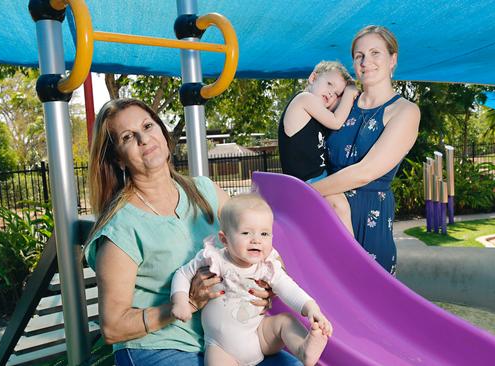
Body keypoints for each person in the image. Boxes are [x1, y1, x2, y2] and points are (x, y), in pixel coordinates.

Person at [83, 98, 302, 365]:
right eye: (128, 137)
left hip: (227, 339)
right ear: (117, 158)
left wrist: (266, 285)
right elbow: (113, 328)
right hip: (159, 347)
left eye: (148, 126)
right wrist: (185, 303)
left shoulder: (205, 192)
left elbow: (259, 240)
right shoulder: (120, 229)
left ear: (163, 134)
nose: (143, 139)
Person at [170, 193, 332, 366]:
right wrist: (180, 302)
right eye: (246, 233)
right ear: (224, 239)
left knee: (285, 321)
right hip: (221, 348)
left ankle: (303, 349)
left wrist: (311, 309)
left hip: (259, 336)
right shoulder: (214, 259)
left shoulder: (266, 266)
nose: (256, 240)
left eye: (264, 234)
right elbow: (182, 273)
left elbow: (289, 288)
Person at [313, 26, 420, 275]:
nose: (366, 61)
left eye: (375, 53)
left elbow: (365, 172)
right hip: (326, 216)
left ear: (393, 59)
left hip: (370, 223)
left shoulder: (405, 111)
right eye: (359, 55)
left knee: (366, 303)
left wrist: (303, 193)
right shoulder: (341, 104)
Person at [278, 60, 358, 236]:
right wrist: (350, 93)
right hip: (305, 182)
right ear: (313, 77)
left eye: (337, 93)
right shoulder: (303, 99)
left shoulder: (318, 114)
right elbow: (337, 122)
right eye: (329, 84)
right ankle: (353, 257)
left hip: (317, 180)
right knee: (340, 205)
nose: (331, 93)